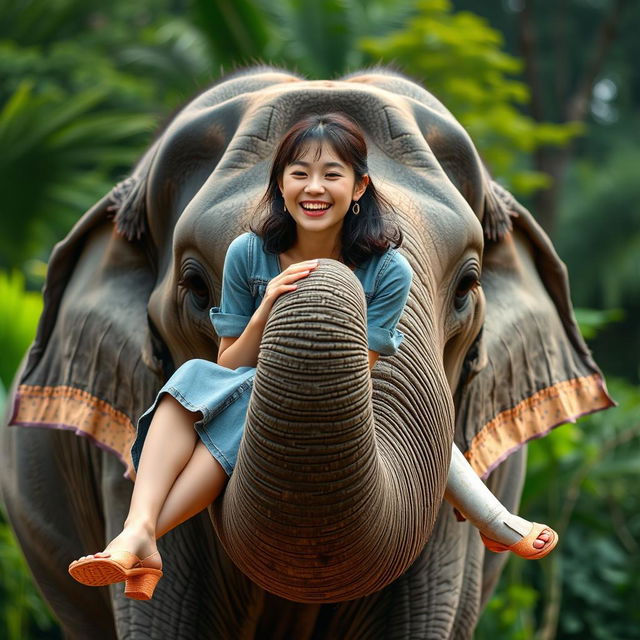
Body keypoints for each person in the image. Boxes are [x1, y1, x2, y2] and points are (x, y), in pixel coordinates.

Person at [68, 113, 557, 600]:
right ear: (280, 184)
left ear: (360, 186)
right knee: (196, 376)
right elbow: (228, 363)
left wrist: (311, 355)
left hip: (362, 396)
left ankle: (141, 537)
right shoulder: (247, 254)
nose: (314, 188)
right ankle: (138, 532)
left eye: (332, 174)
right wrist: (265, 314)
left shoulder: (390, 269)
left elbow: (365, 369)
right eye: (299, 173)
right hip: (247, 384)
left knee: (413, 413)